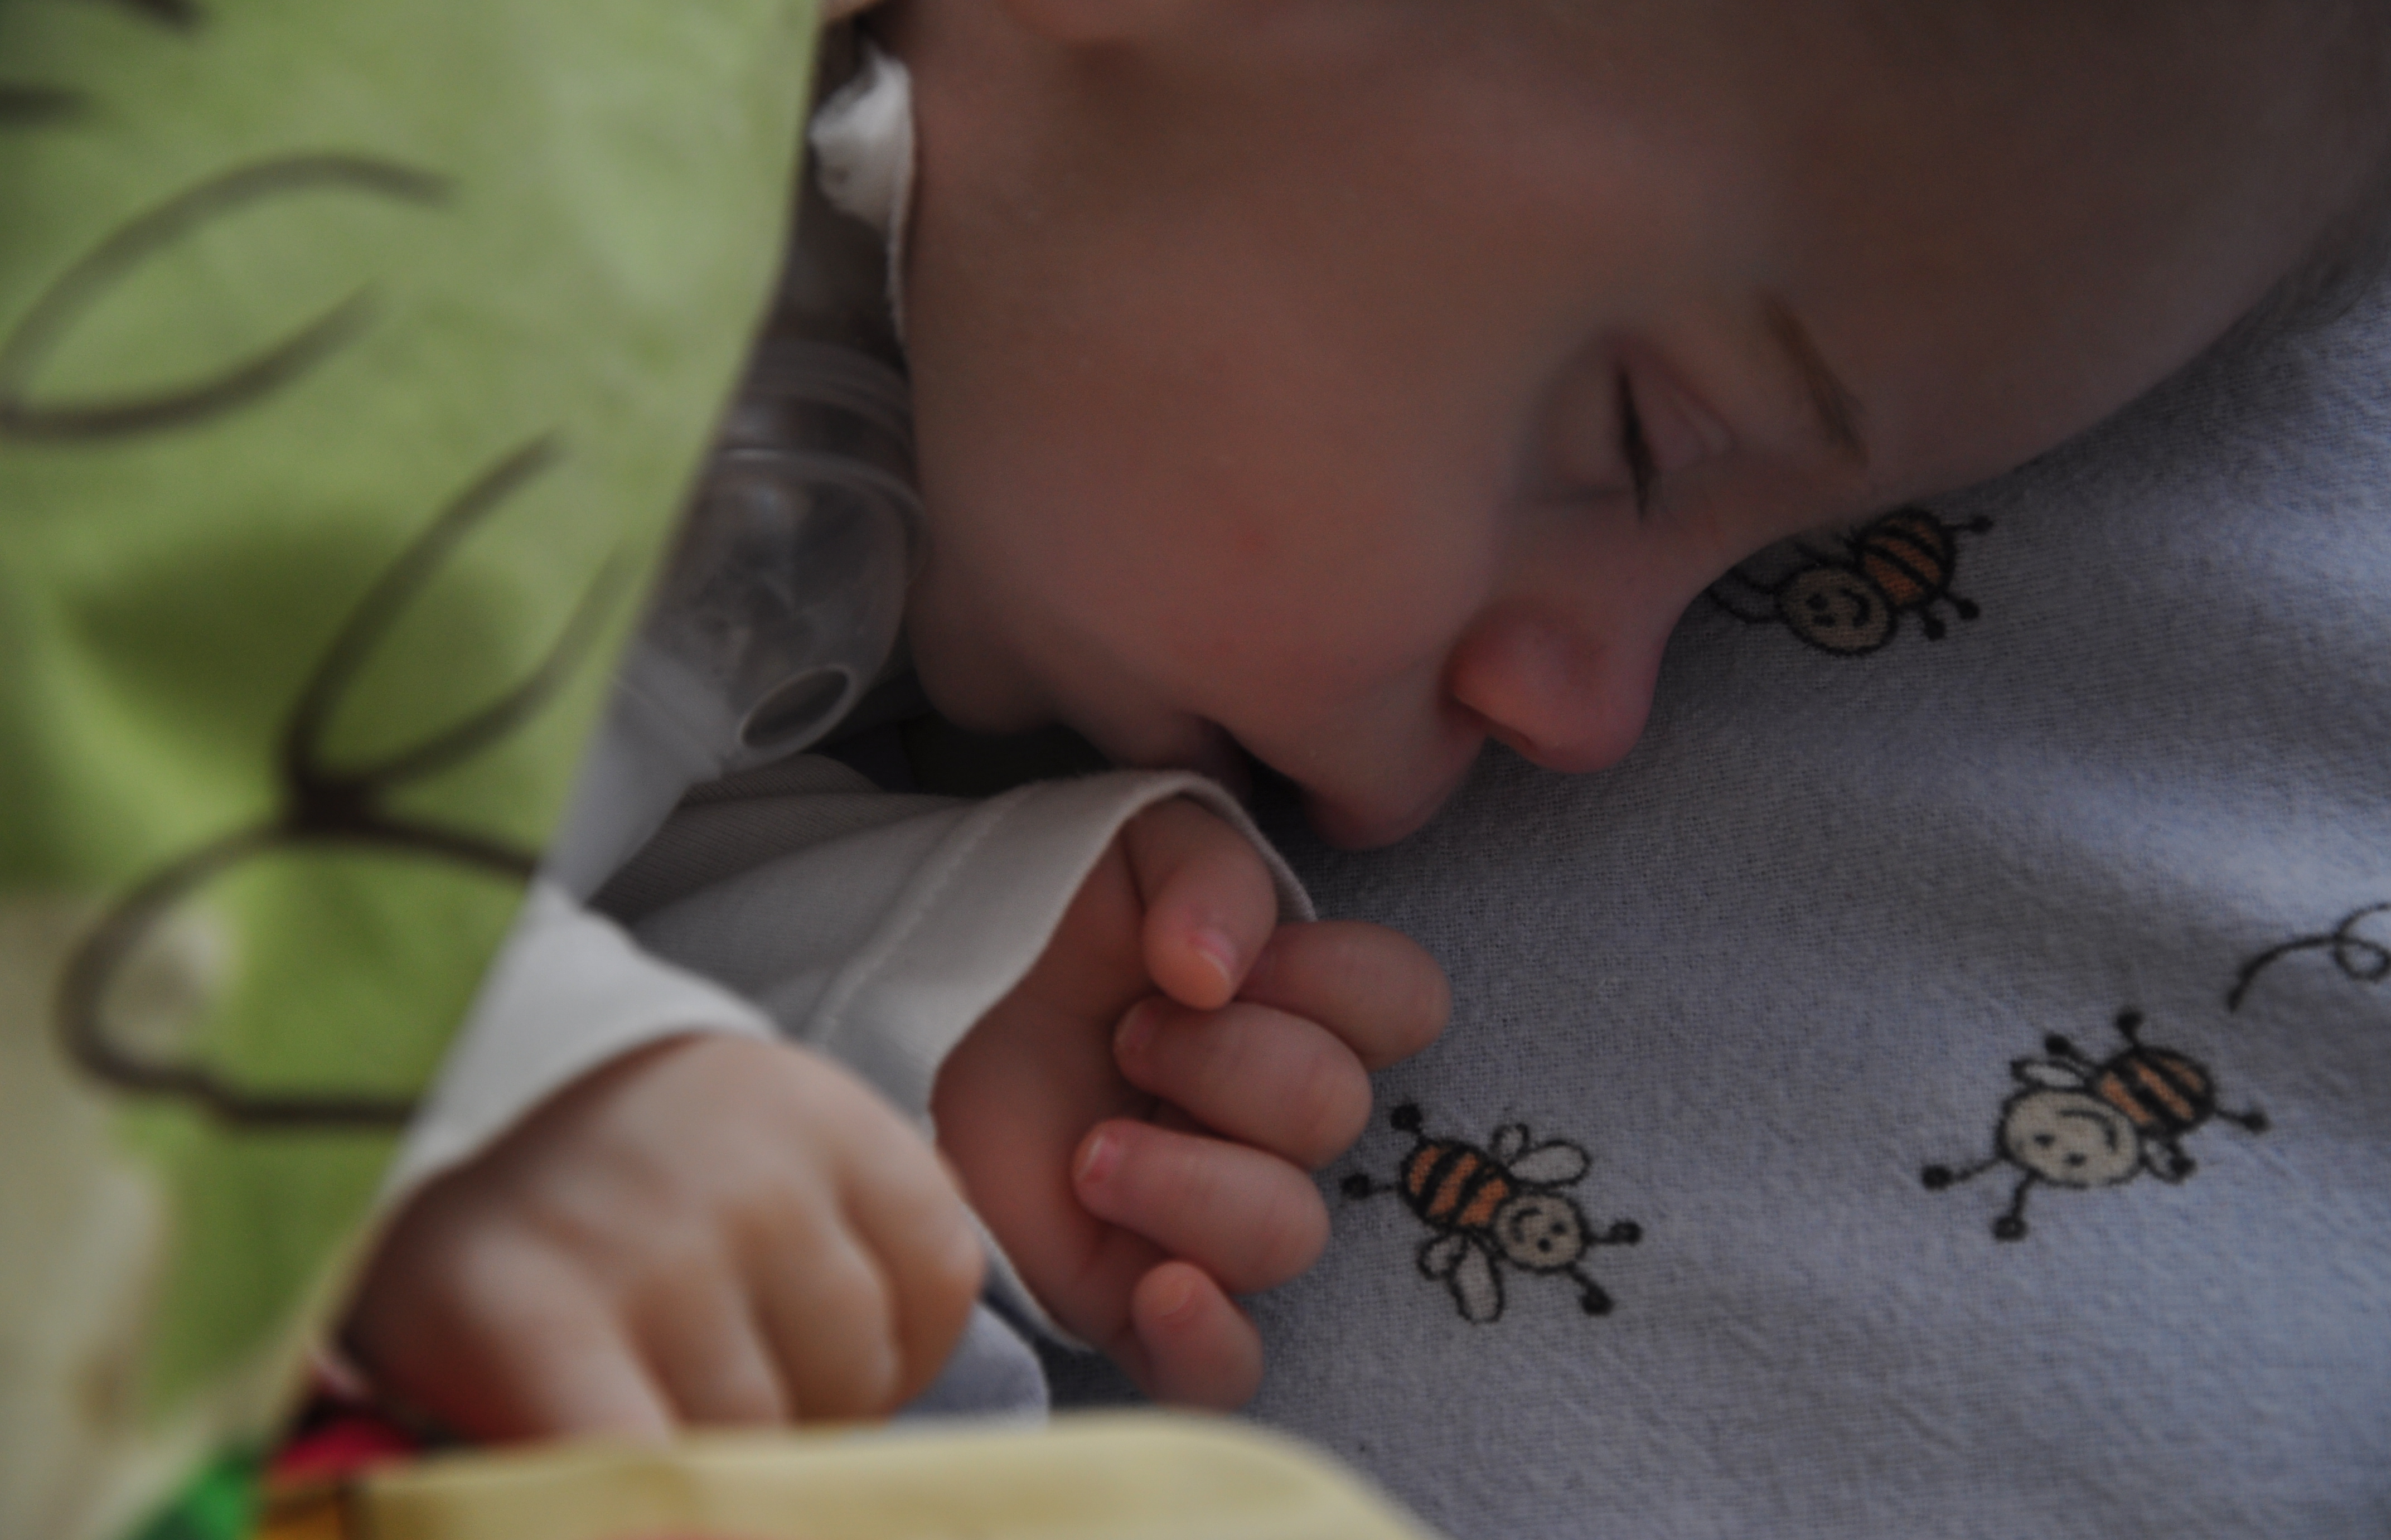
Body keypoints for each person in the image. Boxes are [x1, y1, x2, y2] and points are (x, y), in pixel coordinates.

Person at [343, 0, 2391, 1442]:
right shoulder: (450, 131)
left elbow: (421, 791)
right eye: (1638, 443)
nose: (1593, 716)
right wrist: (498, 1098)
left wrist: (891, 981)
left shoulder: (869, 423)